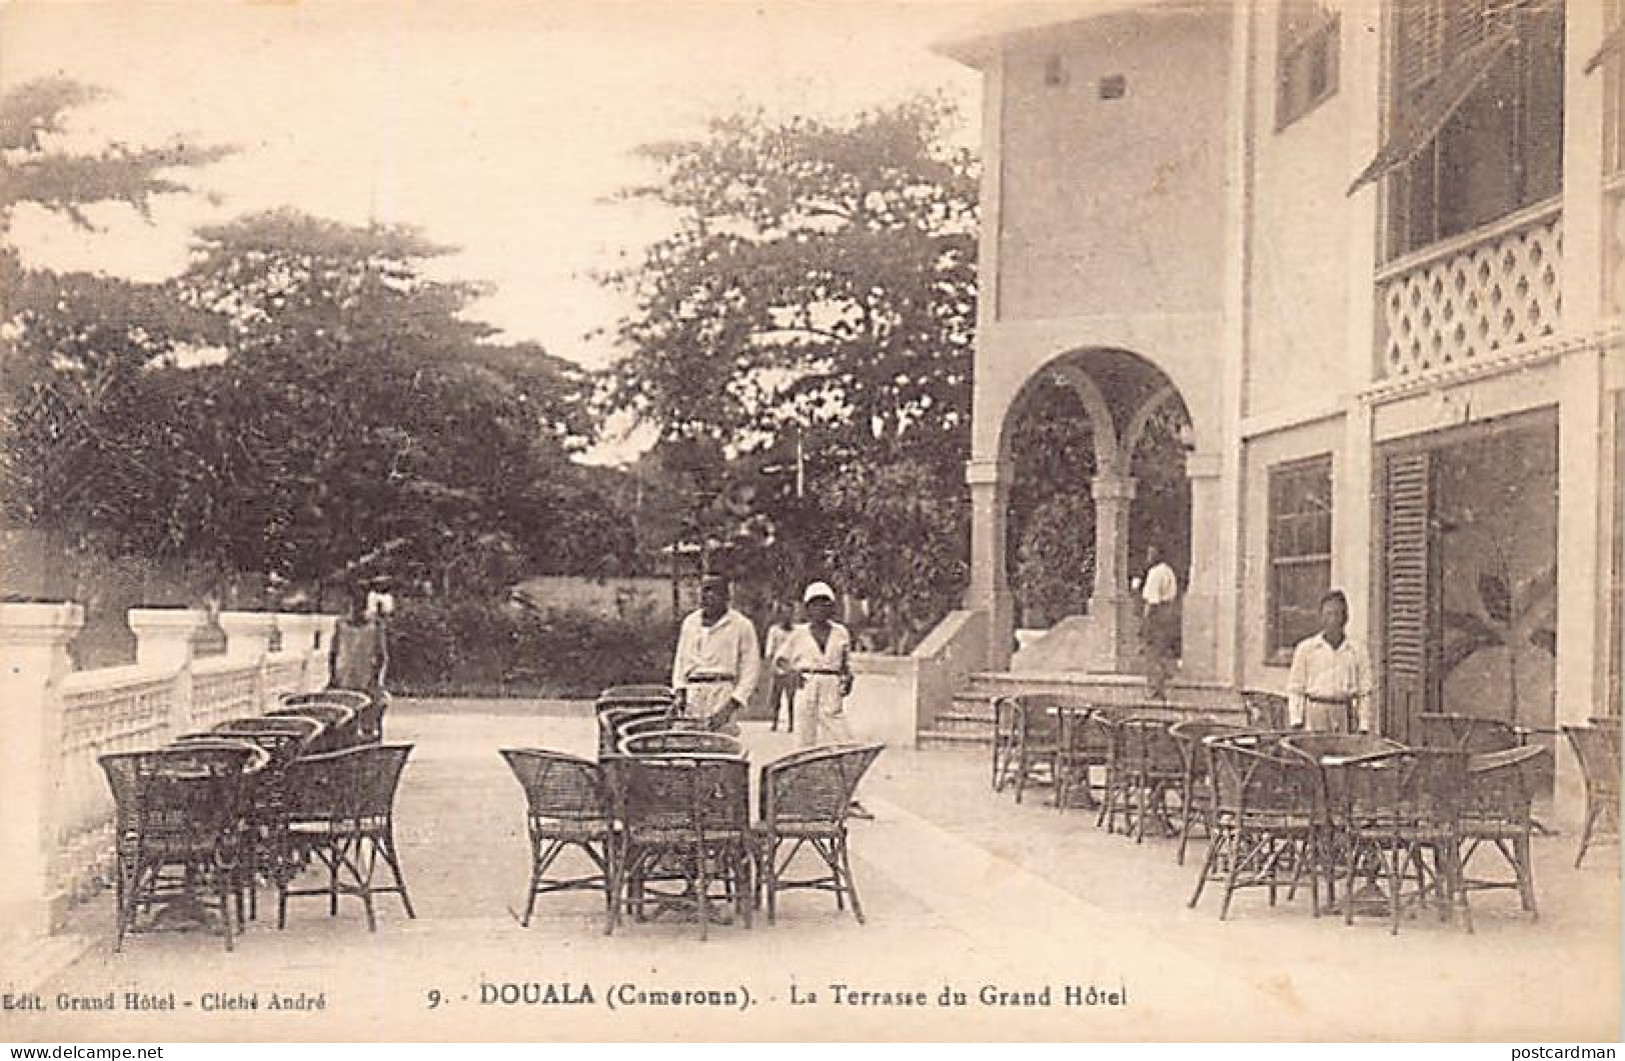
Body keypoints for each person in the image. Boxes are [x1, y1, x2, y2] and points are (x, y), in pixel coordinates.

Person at [773, 580, 870, 818]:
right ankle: (802, 799)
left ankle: (850, 799)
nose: (820, 609)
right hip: (807, 684)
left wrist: (848, 678)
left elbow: (846, 662)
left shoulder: (840, 632)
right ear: (807, 608)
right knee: (804, 743)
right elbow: (779, 661)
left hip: (830, 686)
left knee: (844, 742)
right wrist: (791, 673)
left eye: (825, 604)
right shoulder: (798, 634)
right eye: (815, 604)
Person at [670, 574, 760, 734]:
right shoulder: (690, 623)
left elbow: (750, 671)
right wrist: (679, 692)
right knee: (690, 748)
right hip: (693, 694)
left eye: (715, 591)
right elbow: (680, 661)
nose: (709, 596)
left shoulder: (741, 625)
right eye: (705, 590)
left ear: (727, 596)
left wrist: (731, 706)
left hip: (722, 692)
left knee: (721, 747)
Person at [1287, 589, 1375, 733]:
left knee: (1345, 753)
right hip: (1315, 712)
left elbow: (1365, 691)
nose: (1333, 620)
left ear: (1345, 618)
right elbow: (1296, 688)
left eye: (1338, 614)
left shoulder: (1358, 650)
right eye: (1328, 614)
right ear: (1321, 617)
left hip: (1344, 712)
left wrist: (1364, 725)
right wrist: (1296, 721)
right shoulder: (1306, 649)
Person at [330, 585, 388, 697]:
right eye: (354, 604)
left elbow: (381, 656)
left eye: (360, 604)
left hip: (365, 680)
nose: (356, 608)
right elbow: (333, 652)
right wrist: (333, 677)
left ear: (365, 605)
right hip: (343, 678)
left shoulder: (375, 626)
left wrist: (376, 680)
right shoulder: (341, 624)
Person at [1140, 544, 1180, 700]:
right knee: (1162, 649)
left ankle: (1154, 688)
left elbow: (1152, 601)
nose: (1149, 557)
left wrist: (1145, 620)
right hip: (1168, 613)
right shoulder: (1169, 571)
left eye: (1152, 553)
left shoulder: (1155, 573)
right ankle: (1161, 685)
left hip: (1157, 614)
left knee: (1153, 651)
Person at [762, 602, 796, 732]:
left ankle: (791, 723)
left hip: (792, 668)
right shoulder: (774, 631)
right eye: (785, 614)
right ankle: (775, 721)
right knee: (776, 697)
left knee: (791, 697)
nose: (787, 617)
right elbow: (770, 650)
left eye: (790, 614)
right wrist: (772, 662)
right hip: (778, 668)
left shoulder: (797, 631)